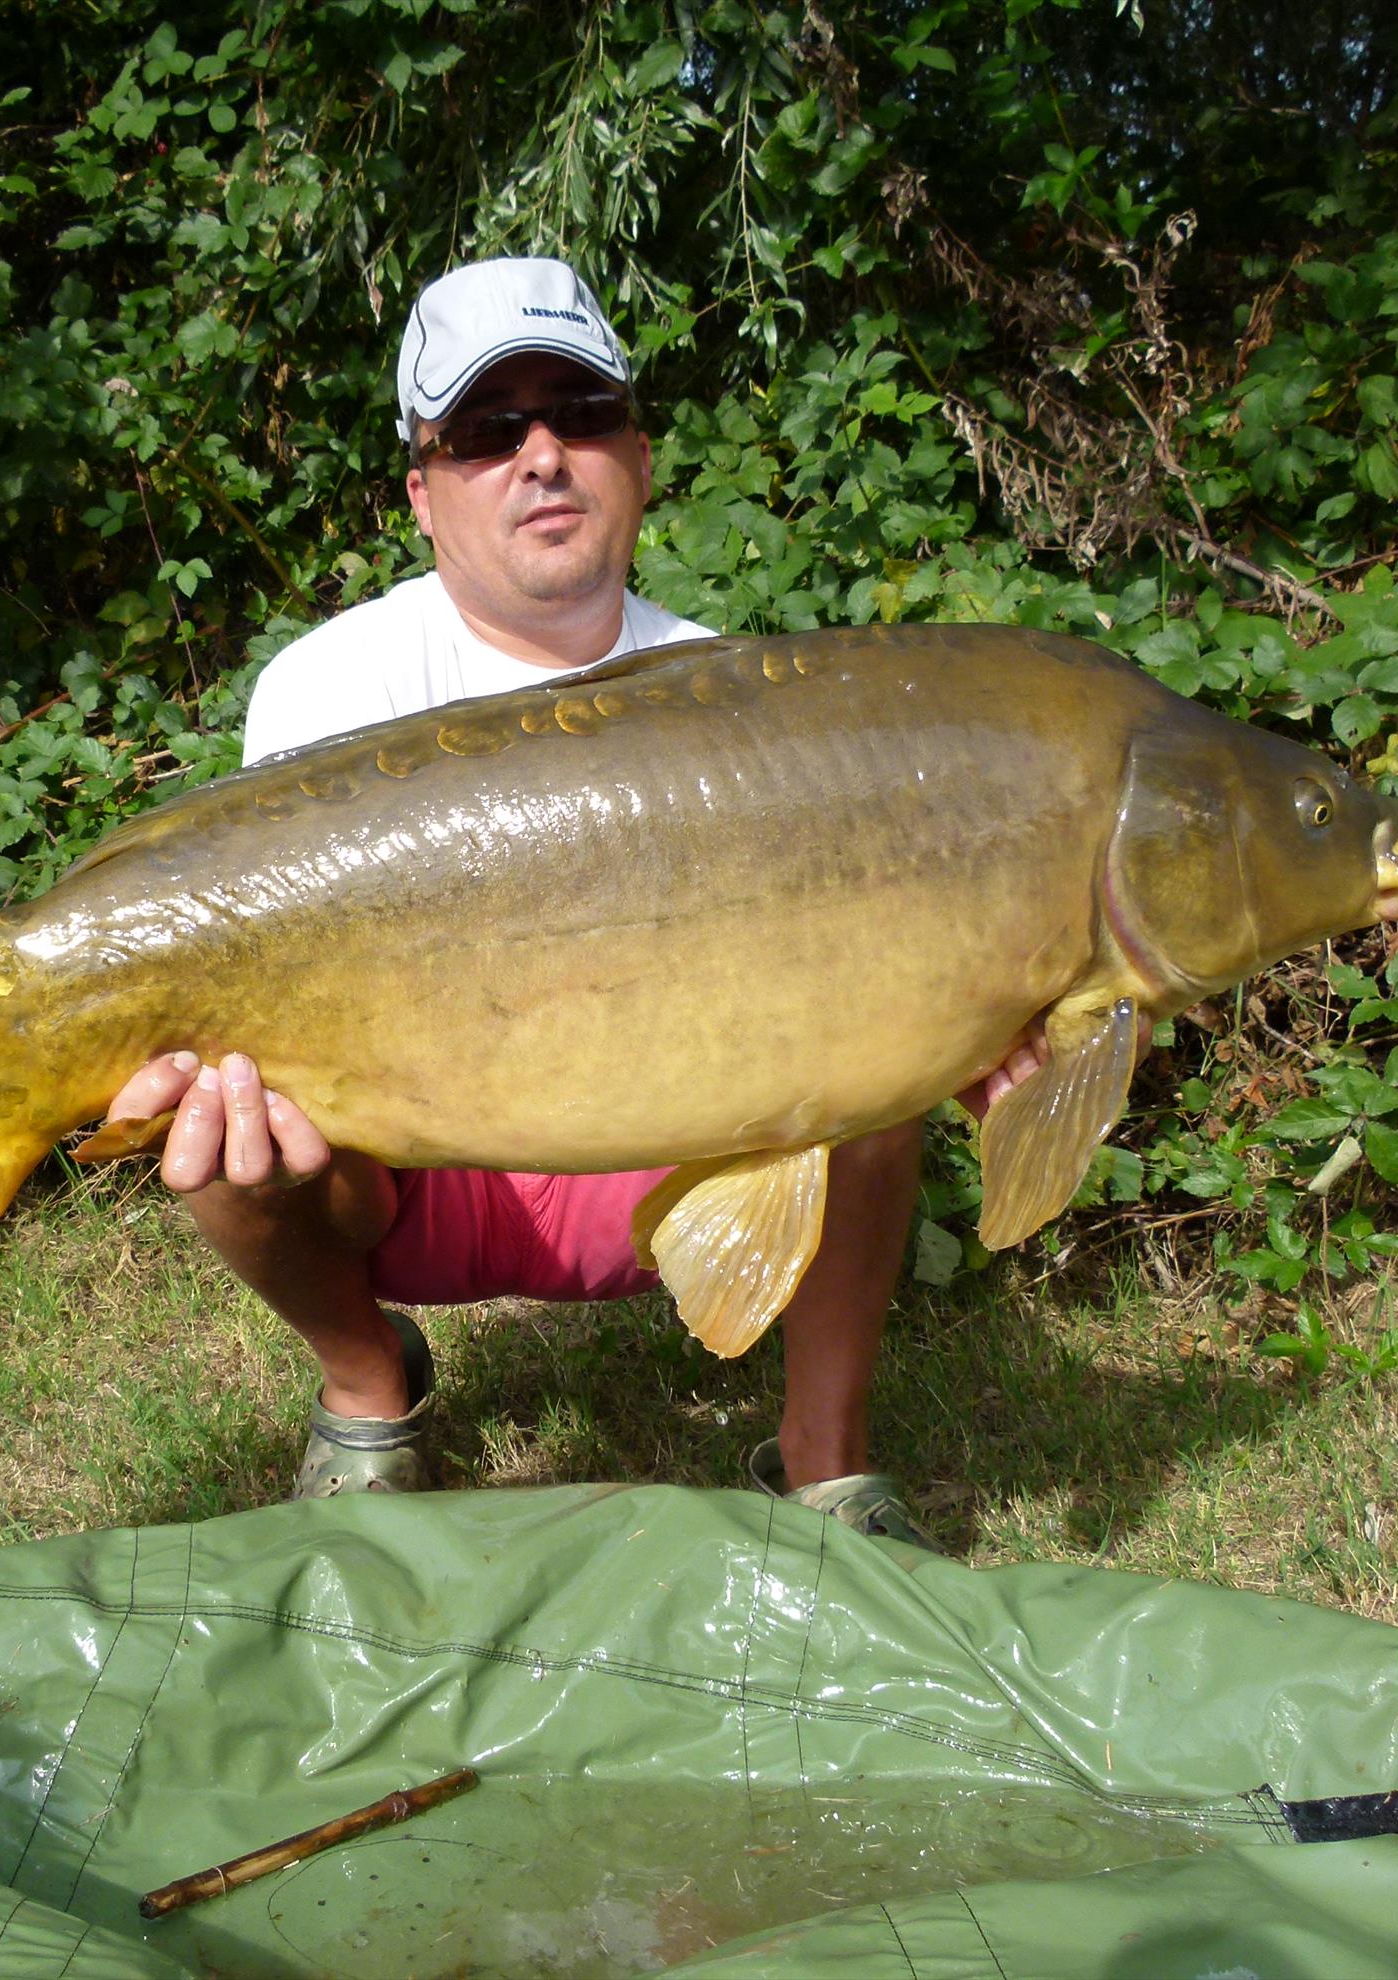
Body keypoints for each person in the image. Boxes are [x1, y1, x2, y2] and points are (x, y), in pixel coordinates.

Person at [107, 257, 1042, 1541]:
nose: (545, 455)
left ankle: (825, 1464)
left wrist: (980, 1008)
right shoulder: (328, 689)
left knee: (869, 1047)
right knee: (215, 1114)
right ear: (424, 496)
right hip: (405, 1175)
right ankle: (368, 1383)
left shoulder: (738, 698)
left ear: (640, 460)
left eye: (582, 416)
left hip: (651, 1147)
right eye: (492, 431)